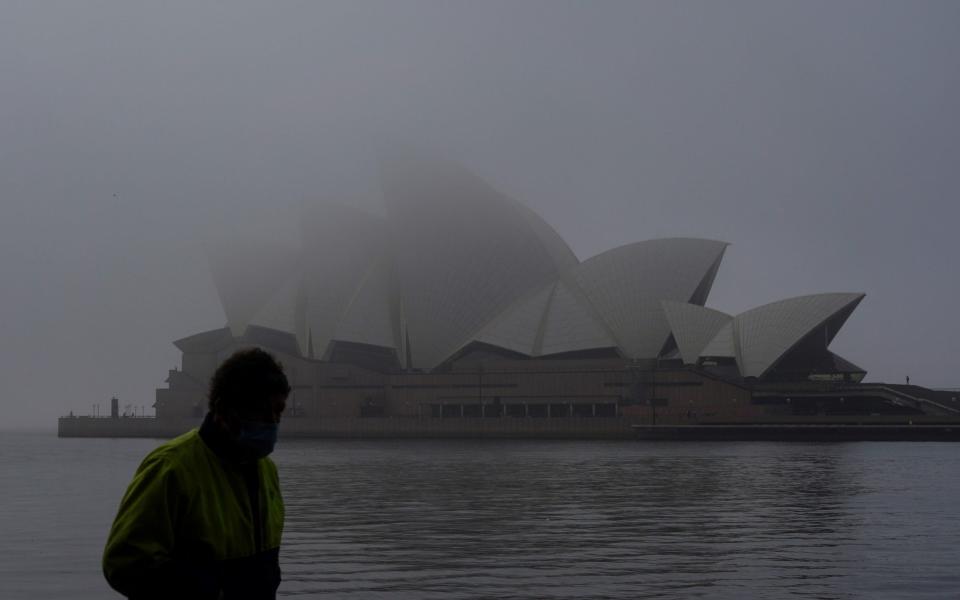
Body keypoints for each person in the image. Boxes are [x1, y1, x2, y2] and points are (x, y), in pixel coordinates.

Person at [103, 348, 291, 599]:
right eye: (261, 411)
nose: (272, 422)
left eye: (278, 412)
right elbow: (124, 563)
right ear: (225, 411)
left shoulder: (267, 471)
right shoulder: (171, 468)